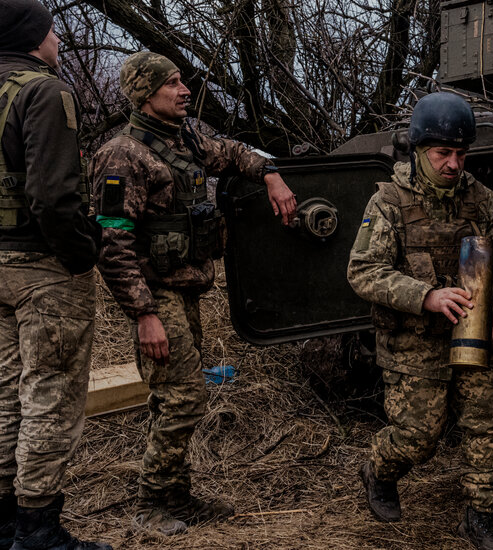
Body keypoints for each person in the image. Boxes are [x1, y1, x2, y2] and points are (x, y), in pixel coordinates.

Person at [90, 51, 297, 536]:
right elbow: (112, 244)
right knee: (184, 399)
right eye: (173, 83)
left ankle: (177, 497)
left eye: (183, 81)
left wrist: (271, 173)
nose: (185, 90)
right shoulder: (122, 155)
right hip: (155, 295)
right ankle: (149, 505)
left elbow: (230, 153)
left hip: (185, 291)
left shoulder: (183, 139)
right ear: (146, 94)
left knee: (170, 398)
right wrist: (144, 315)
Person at [348, 92, 493, 550]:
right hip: (413, 342)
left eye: (461, 153)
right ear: (419, 150)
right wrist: (425, 295)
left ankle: (480, 517)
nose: (453, 164)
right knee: (418, 437)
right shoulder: (389, 202)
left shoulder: (481, 200)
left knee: (489, 423)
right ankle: (379, 468)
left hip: (471, 336)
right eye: (443, 153)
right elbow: (363, 271)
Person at [0, 2, 112, 549]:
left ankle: (4, 524)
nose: (58, 40)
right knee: (51, 395)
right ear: (32, 36)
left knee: (4, 395)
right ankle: (38, 530)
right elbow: (52, 197)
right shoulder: (44, 91)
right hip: (43, 267)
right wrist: (81, 252)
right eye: (52, 30)